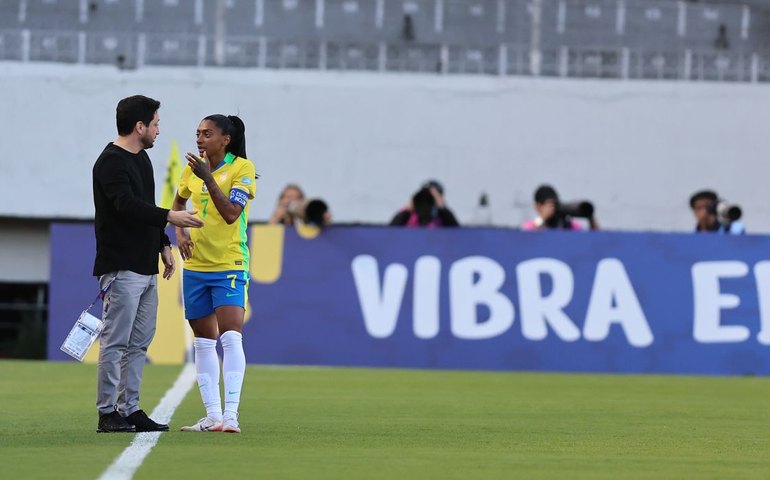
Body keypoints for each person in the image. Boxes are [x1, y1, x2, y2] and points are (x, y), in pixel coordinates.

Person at [92, 95, 204, 433]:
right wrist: (170, 216)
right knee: (116, 341)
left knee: (139, 342)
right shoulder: (110, 162)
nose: (158, 129)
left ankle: (130, 409)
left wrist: (163, 242)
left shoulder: (141, 160)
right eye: (155, 124)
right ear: (139, 126)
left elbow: (144, 206)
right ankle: (107, 412)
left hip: (145, 265)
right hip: (121, 266)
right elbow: (125, 205)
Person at [173, 114, 257, 434]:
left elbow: (232, 214)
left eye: (207, 134)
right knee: (204, 343)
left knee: (231, 336)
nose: (199, 139)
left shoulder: (242, 169)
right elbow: (179, 198)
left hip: (229, 264)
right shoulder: (192, 168)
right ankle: (213, 416)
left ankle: (232, 415)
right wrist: (179, 233)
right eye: (197, 133)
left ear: (226, 140)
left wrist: (208, 178)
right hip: (196, 266)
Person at [521, 184, 599, 231]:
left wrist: (590, 217)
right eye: (548, 205)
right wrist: (543, 218)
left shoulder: (570, 226)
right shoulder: (530, 225)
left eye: (554, 204)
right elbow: (526, 239)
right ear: (537, 206)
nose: (552, 209)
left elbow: (596, 239)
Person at [390, 180, 460, 227]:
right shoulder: (408, 213)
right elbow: (389, 232)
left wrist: (442, 209)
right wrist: (407, 211)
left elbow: (457, 233)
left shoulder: (443, 216)